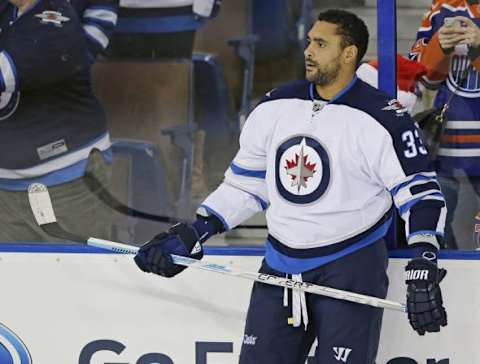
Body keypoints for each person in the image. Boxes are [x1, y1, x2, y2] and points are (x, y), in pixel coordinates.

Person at [134, 9, 448, 363]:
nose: (308, 51)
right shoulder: (275, 106)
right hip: (280, 265)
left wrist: (424, 256)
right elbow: (246, 184)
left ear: (349, 53)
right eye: (309, 41)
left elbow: (421, 193)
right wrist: (198, 230)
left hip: (351, 265)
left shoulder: (384, 119)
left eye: (320, 43)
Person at [0, 0, 114, 242]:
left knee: (80, 275)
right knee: (13, 279)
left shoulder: (55, 21)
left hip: (68, 183)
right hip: (5, 188)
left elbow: (3, 74)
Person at [409, 0, 480, 249]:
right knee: (437, 225)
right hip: (447, 142)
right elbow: (421, 80)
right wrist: (439, 48)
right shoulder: (442, 10)